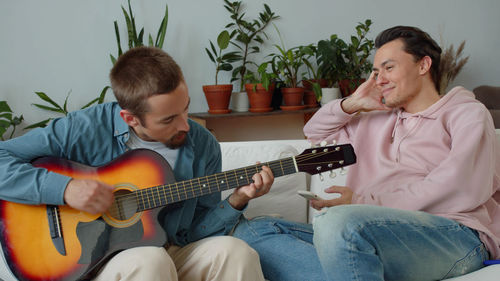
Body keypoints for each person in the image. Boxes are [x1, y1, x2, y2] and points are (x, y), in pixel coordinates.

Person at [0, 46, 274, 281]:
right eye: (168, 120)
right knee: (150, 260)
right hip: (93, 262)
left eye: (185, 109)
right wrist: (65, 188)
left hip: (169, 250)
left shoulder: (203, 145)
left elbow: (196, 232)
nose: (185, 126)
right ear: (130, 118)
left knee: (236, 252)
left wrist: (238, 199)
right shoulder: (83, 128)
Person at [302, 25, 500, 280]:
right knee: (261, 232)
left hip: (454, 234)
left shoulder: (467, 113)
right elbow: (314, 134)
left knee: (336, 223)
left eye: (388, 67)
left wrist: (361, 202)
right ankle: (354, 264)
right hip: (375, 233)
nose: (379, 79)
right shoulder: (372, 120)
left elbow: (461, 186)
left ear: (423, 65)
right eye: (375, 72)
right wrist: (351, 104)